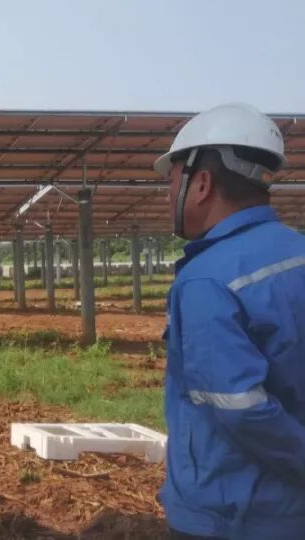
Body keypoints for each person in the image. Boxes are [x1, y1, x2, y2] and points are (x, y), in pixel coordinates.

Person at [153, 103, 305, 540]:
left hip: (232, 513)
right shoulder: (296, 253)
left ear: (201, 184)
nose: (166, 196)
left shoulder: (207, 279)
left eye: (171, 182)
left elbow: (238, 407)